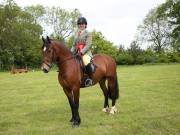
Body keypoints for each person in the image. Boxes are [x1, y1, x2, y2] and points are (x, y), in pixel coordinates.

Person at [71, 17, 96, 86]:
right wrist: (70, 53)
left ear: (85, 25)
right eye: (79, 24)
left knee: (85, 61)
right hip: (76, 52)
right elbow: (74, 45)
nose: (81, 25)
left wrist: (81, 52)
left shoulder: (88, 33)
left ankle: (90, 79)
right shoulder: (76, 33)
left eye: (82, 24)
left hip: (85, 53)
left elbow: (88, 44)